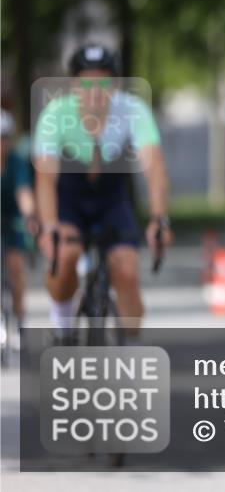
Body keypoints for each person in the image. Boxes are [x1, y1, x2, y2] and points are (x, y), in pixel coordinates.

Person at [32, 43, 173, 343]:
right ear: (74, 86)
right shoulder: (55, 114)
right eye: (86, 83)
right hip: (69, 197)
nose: (95, 91)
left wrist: (160, 218)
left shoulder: (133, 110)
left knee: (127, 269)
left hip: (111, 198)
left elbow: (155, 168)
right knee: (64, 255)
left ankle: (127, 341)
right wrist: (49, 226)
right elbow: (45, 178)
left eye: (103, 83)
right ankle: (63, 324)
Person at [1, 109, 38, 350]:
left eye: (4, 137)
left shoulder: (17, 161)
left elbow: (24, 192)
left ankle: (20, 315)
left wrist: (29, 215)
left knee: (16, 269)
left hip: (13, 219)